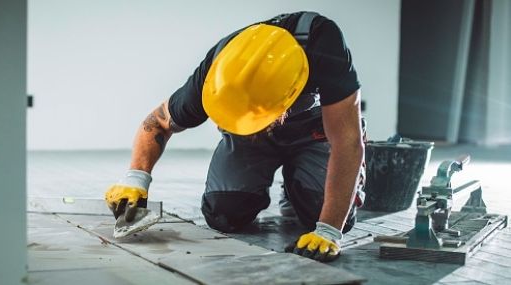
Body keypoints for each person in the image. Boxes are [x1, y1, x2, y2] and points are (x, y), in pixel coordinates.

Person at [105, 11, 366, 262]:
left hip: (314, 133)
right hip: (251, 140)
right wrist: (136, 178)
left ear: (289, 97)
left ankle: (296, 183)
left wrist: (329, 230)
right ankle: (279, 173)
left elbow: (347, 141)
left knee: (327, 213)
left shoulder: (322, 43)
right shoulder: (218, 68)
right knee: (223, 214)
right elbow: (157, 122)